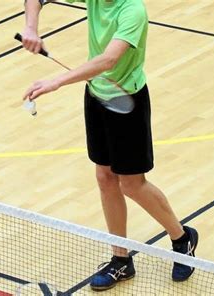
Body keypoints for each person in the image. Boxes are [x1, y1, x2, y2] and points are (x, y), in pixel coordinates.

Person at [21, 0, 199, 291]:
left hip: (126, 102)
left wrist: (56, 82)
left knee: (132, 184)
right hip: (96, 97)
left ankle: (182, 238)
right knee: (105, 178)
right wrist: (31, 27)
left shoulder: (132, 10)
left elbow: (108, 61)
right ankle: (120, 260)